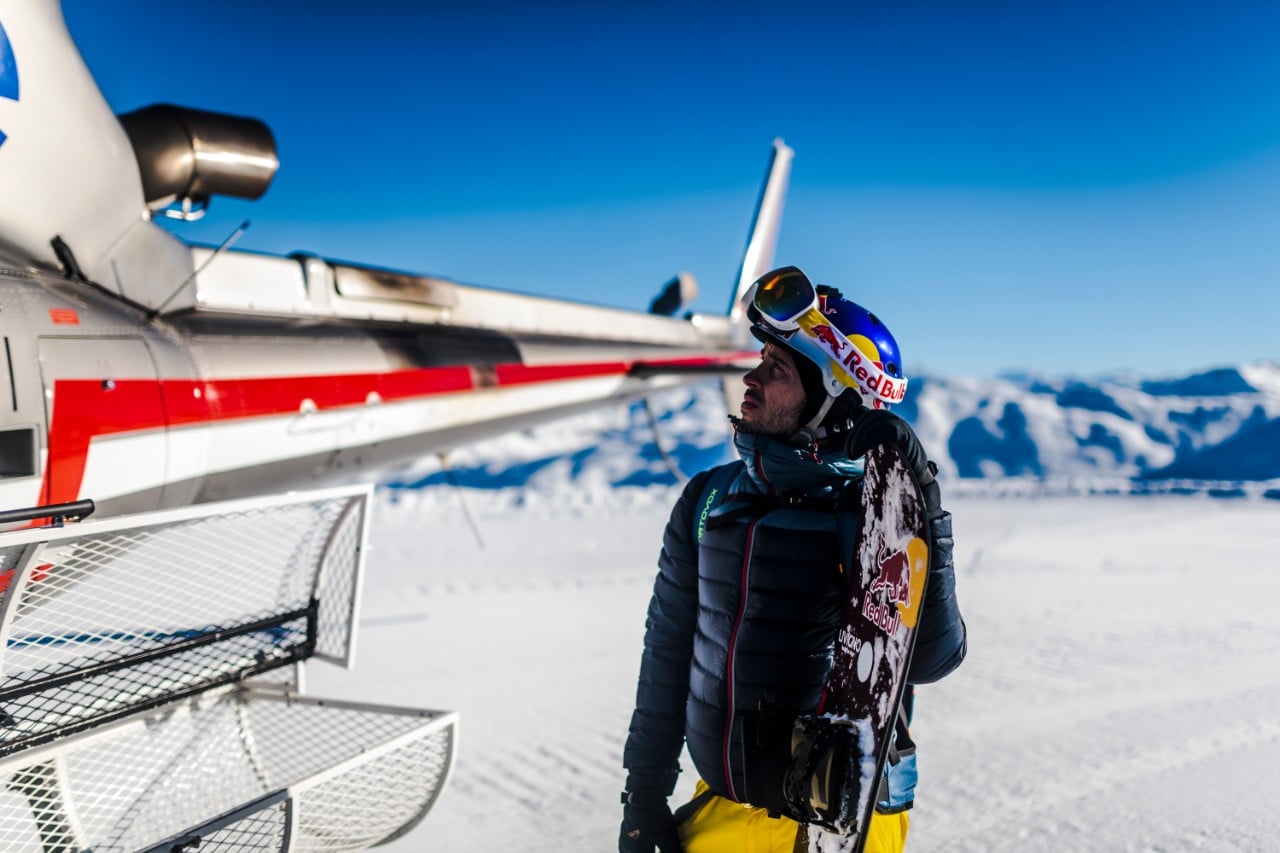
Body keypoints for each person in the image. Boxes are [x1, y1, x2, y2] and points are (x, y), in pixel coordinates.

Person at [619, 266, 967, 853]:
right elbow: (668, 655)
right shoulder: (708, 498)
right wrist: (643, 798)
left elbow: (932, 658)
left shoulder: (874, 517)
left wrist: (922, 510)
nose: (750, 377)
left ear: (834, 397)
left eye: (775, 369)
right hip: (724, 808)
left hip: (840, 829)